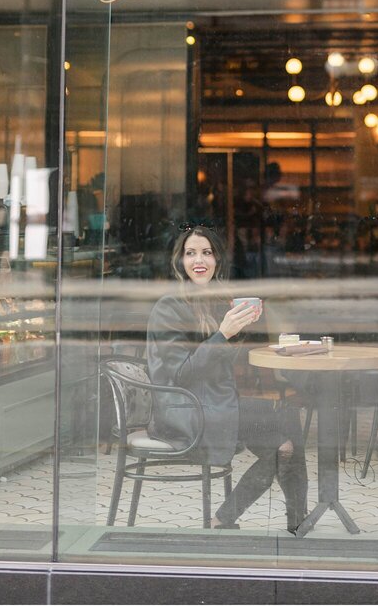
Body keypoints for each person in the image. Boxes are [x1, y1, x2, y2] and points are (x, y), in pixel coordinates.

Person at [146, 225, 308, 533]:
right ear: (179, 261)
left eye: (207, 253)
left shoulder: (214, 302)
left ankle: (295, 521)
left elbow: (218, 363)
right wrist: (224, 334)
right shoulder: (170, 306)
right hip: (185, 410)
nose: (199, 260)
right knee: (283, 444)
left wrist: (241, 327)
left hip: (214, 404)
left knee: (288, 422)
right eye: (190, 253)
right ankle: (234, 518)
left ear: (217, 259)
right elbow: (182, 375)